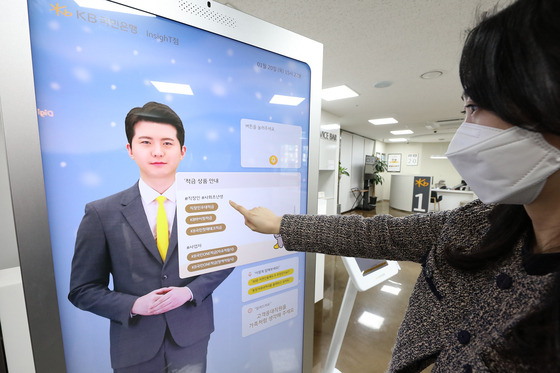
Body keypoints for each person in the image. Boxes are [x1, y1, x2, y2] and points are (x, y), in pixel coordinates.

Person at [230, 0, 560, 371]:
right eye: (465, 108)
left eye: (477, 106)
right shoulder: (477, 225)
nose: (467, 129)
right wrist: (281, 225)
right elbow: (379, 235)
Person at [69, 102, 233, 373]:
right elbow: (82, 290)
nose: (157, 151)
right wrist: (134, 304)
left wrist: (190, 292)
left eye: (167, 143)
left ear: (182, 152)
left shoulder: (207, 203)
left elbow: (224, 259)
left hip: (191, 336)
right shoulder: (101, 213)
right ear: (130, 150)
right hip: (135, 344)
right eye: (146, 142)